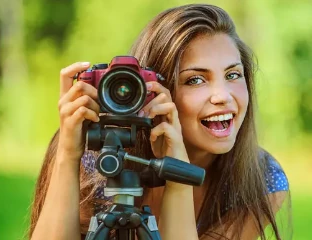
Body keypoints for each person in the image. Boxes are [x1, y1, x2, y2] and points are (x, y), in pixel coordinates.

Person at [29, 3, 291, 240]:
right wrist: (67, 153)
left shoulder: (261, 178)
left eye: (233, 74)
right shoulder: (93, 155)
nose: (222, 96)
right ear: (150, 92)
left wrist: (177, 177)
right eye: (195, 80)